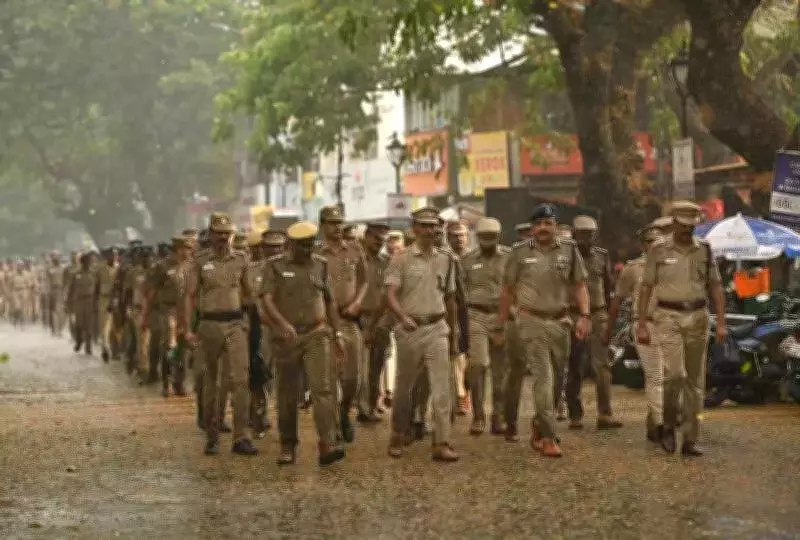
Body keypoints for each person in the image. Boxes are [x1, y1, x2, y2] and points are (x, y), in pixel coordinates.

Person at [497, 203, 591, 458]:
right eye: (538, 224)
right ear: (532, 228)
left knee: (558, 379)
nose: (542, 229)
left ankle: (539, 424)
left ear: (557, 227)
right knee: (544, 377)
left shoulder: (570, 251)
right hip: (531, 321)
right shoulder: (518, 253)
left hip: (561, 322)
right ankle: (550, 436)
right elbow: (507, 290)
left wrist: (584, 316)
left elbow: (580, 285)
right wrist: (502, 323)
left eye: (547, 224)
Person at [637, 201, 727, 456]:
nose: (688, 230)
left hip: (698, 315)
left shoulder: (705, 250)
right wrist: (642, 323)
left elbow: (716, 287)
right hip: (668, 315)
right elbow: (646, 287)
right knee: (675, 374)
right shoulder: (658, 249)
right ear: (674, 222)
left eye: (692, 226)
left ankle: (690, 438)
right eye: (683, 225)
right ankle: (667, 423)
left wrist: (721, 322)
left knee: (696, 382)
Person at [260, 221, 346, 466]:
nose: (306, 250)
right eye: (301, 246)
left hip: (317, 334)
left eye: (310, 245)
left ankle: (327, 442)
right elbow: (266, 299)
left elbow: (330, 301)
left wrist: (337, 334)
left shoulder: (321, 265)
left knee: (323, 389)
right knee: (287, 394)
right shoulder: (275, 266)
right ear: (290, 245)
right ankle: (288, 445)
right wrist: (281, 323)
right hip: (286, 338)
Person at [385, 206, 459, 462]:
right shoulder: (400, 258)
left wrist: (454, 331)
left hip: (438, 327)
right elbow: (391, 294)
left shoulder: (446, 259)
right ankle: (398, 433)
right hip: (410, 329)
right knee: (404, 387)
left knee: (441, 389)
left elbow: (450, 299)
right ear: (414, 229)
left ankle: (442, 441)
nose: (430, 231)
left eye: (434, 226)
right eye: (424, 226)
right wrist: (402, 317)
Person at [183, 213, 258, 456]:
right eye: (218, 232)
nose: (223, 237)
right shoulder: (200, 261)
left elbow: (249, 294)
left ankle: (241, 437)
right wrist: (187, 329)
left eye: (227, 233)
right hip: (209, 326)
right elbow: (191, 296)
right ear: (211, 234)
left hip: (235, 324)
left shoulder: (241, 260)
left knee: (240, 380)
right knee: (210, 383)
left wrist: (247, 320)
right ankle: (212, 435)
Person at [606, 223, 664, 442]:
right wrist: (608, 332)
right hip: (644, 325)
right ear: (642, 245)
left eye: (658, 240)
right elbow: (618, 299)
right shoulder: (633, 269)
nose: (654, 245)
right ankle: (660, 424)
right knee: (655, 375)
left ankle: (655, 417)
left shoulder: (670, 265)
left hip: (670, 325)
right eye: (650, 241)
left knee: (672, 375)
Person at [316, 206, 369, 444]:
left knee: (353, 380)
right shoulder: (316, 253)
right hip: (325, 325)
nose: (337, 227)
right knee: (328, 380)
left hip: (350, 322)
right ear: (322, 225)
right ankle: (333, 429)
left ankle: (345, 412)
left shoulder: (355, 250)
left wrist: (358, 302)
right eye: (331, 223)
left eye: (340, 222)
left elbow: (365, 281)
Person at [566, 216, 622, 430]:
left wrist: (609, 319)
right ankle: (575, 415)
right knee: (574, 366)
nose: (585, 239)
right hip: (573, 315)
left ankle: (605, 414)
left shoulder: (602, 256)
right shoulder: (565, 257)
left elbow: (609, 286)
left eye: (589, 235)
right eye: (581, 234)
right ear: (573, 233)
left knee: (603, 367)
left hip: (598, 315)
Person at [460, 217, 511, 435]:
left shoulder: (510, 258)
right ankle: (478, 415)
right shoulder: (467, 259)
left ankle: (497, 416)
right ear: (477, 237)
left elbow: (516, 287)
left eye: (491, 237)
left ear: (498, 236)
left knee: (501, 371)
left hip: (502, 316)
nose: (487, 241)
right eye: (483, 237)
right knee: (478, 364)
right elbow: (460, 293)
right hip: (476, 315)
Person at [143, 236, 191, 397]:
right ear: (179, 249)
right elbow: (152, 292)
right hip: (168, 311)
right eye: (187, 248)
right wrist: (146, 315)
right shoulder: (162, 267)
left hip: (185, 312)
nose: (189, 251)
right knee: (169, 347)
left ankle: (180, 383)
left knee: (182, 349)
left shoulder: (191, 267)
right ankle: (166, 383)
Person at [358, 221, 391, 423]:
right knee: (360, 367)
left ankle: (370, 404)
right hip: (358, 318)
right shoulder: (356, 260)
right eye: (377, 239)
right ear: (367, 236)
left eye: (383, 240)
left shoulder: (386, 262)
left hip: (381, 319)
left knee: (376, 366)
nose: (380, 243)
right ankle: (361, 407)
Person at [67, 253, 97, 355]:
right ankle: (79, 341)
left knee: (89, 325)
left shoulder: (93, 273)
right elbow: (70, 290)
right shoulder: (75, 274)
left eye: (89, 261)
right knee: (78, 324)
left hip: (89, 301)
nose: (88, 263)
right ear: (82, 262)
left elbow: (97, 289)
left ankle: (88, 347)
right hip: (78, 302)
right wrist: (69, 305)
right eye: (86, 261)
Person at [95, 248, 118, 362]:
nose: (114, 257)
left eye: (115, 255)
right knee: (104, 326)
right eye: (112, 255)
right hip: (103, 299)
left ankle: (115, 350)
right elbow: (96, 285)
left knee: (115, 326)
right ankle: (105, 348)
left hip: (116, 300)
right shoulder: (101, 269)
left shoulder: (119, 268)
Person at [46, 251, 65, 337]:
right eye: (54, 257)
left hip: (61, 291)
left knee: (60, 311)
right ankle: (54, 329)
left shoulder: (63, 268)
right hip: (52, 291)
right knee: (53, 311)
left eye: (57, 257)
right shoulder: (49, 269)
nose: (56, 258)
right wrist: (48, 291)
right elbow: (48, 281)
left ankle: (60, 329)